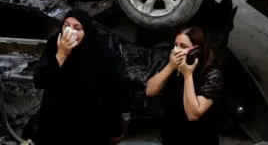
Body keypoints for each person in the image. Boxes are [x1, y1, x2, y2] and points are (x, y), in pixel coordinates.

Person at [32, 9, 127, 145]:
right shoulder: (54, 45)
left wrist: (115, 129)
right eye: (66, 25)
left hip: (89, 128)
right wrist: (61, 54)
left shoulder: (101, 54)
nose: (70, 31)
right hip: (54, 127)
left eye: (77, 28)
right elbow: (40, 80)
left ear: (86, 31)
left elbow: (114, 96)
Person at [145, 26, 225, 145]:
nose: (177, 50)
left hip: (200, 137)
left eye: (183, 46)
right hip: (171, 135)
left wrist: (188, 75)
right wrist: (170, 67)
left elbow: (193, 114)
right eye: (175, 45)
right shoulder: (171, 64)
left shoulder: (212, 75)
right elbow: (150, 91)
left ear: (196, 50)